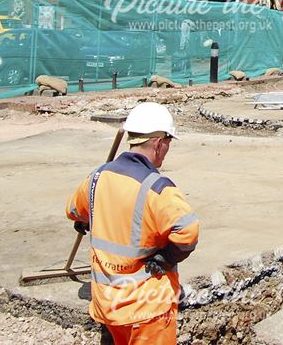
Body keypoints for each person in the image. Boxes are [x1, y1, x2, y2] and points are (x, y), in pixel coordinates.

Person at [66, 102, 199, 344]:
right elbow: (188, 232)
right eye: (168, 143)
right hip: (147, 309)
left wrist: (86, 220)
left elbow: (75, 210)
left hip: (108, 304)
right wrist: (167, 257)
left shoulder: (97, 178)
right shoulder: (158, 188)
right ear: (159, 143)